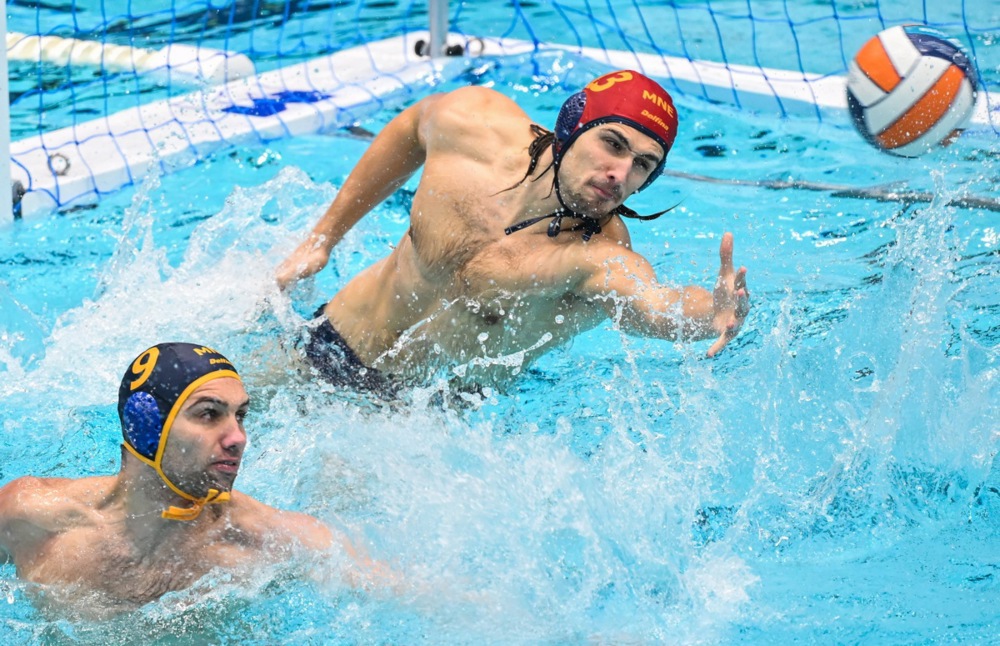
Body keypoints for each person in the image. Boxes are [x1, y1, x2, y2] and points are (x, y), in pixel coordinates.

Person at [277, 69, 750, 392]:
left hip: (421, 419)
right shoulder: (473, 127)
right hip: (327, 342)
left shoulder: (599, 254)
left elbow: (650, 302)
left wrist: (710, 312)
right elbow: (411, 127)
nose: (620, 173)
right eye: (612, 143)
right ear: (571, 125)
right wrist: (323, 240)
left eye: (643, 165)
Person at [0, 342, 376, 618]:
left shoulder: (265, 540)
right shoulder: (31, 516)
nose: (238, 437)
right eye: (210, 414)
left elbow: (407, 595)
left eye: (240, 415)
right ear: (147, 425)